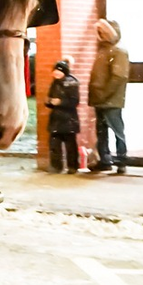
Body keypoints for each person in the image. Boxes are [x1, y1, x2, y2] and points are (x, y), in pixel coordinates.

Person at [87, 18, 129, 173]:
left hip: (110, 100)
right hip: (102, 98)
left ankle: (121, 161)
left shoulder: (118, 52)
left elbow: (119, 77)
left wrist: (104, 94)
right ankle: (105, 160)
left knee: (117, 131)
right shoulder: (104, 51)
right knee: (102, 132)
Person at [44, 59, 80, 173]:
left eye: (58, 71)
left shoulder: (71, 83)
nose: (55, 73)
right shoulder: (54, 83)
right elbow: (50, 98)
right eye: (54, 71)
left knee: (70, 145)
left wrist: (60, 102)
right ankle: (56, 166)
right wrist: (49, 102)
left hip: (68, 119)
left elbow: (74, 101)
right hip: (56, 119)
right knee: (54, 144)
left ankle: (72, 166)